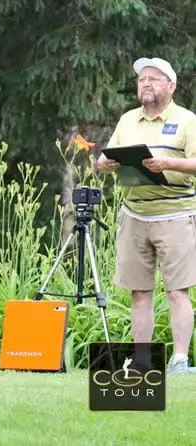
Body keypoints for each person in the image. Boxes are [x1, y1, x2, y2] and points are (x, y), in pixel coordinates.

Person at [96, 57, 196, 374]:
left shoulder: (187, 120)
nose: (145, 83)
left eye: (153, 78)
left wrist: (167, 163)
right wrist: (105, 164)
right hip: (134, 215)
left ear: (171, 85)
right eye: (141, 79)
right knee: (139, 293)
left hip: (175, 214)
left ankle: (179, 360)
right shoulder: (127, 120)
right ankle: (141, 362)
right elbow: (102, 161)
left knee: (177, 292)